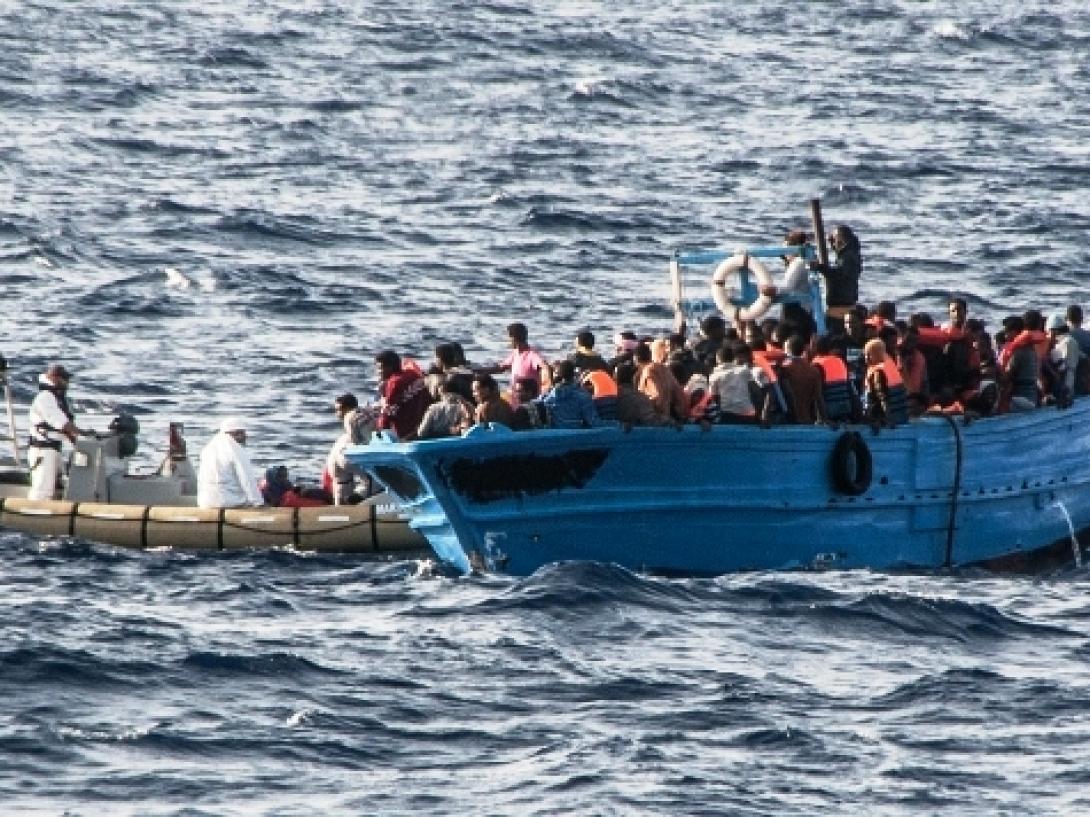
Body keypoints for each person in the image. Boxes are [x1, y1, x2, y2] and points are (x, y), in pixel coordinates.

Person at [26, 363, 81, 501]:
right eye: (64, 379)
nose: (67, 383)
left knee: (57, 487)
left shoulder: (57, 398)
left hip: (54, 449)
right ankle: (34, 515)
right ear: (55, 378)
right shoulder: (45, 397)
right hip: (43, 450)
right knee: (42, 491)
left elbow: (65, 427)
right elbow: (60, 422)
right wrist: (81, 435)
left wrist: (79, 441)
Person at [197, 417, 263, 508]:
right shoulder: (235, 448)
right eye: (243, 433)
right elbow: (247, 478)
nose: (245, 437)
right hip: (229, 501)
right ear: (236, 433)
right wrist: (258, 502)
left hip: (205, 502)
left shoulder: (208, 448)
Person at [325, 392, 376, 505]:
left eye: (338, 410)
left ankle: (342, 507)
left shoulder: (349, 416)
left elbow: (356, 441)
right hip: (349, 456)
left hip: (346, 457)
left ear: (347, 408)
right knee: (369, 482)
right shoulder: (367, 411)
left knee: (343, 482)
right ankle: (356, 498)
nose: (336, 414)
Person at [812, 225, 862, 331]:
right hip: (844, 305)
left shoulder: (848, 257)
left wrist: (820, 267)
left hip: (840, 311)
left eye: (834, 240)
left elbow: (839, 274)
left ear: (840, 239)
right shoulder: (850, 254)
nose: (833, 244)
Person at [374, 350, 431, 441]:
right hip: (423, 425)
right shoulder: (412, 374)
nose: (378, 372)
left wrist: (380, 431)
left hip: (406, 432)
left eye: (380, 368)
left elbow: (388, 413)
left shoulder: (394, 383)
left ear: (390, 367)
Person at [778, 335, 826, 424]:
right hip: (807, 419)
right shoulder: (813, 370)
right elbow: (818, 398)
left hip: (790, 419)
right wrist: (824, 419)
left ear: (787, 349)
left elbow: (787, 394)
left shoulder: (784, 369)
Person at [541, 360, 601, 428]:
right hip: (576, 434)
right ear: (573, 374)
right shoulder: (583, 396)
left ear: (559, 375)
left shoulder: (549, 396)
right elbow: (594, 422)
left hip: (555, 432)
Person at [863, 338, 909, 426]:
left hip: (884, 418)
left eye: (869, 354)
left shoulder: (878, 372)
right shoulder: (890, 367)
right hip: (902, 416)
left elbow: (883, 397)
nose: (866, 358)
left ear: (876, 354)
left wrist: (888, 419)